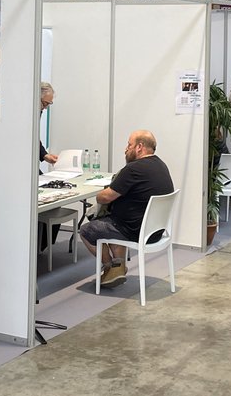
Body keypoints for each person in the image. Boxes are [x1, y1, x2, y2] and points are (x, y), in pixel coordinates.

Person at [78, 130, 174, 288]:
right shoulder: (160, 165)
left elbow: (105, 197)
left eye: (129, 145)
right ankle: (119, 265)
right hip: (156, 231)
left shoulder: (133, 169)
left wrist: (99, 194)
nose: (125, 149)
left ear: (139, 147)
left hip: (134, 231)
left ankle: (111, 267)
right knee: (113, 221)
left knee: (87, 230)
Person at [39, 82, 58, 165]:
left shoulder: (38, 111)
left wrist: (45, 155)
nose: (46, 107)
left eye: (49, 104)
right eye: (45, 103)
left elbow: (34, 139)